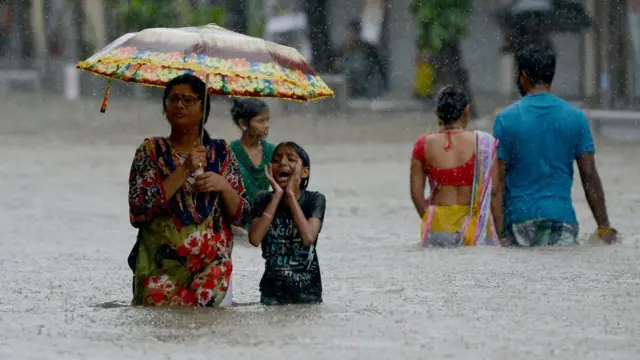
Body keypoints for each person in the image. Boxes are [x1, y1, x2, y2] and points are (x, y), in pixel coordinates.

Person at [127, 74, 251, 307]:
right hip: (159, 271)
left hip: (212, 272)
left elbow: (243, 215)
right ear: (164, 108)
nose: (179, 105)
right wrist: (183, 170)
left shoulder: (221, 152)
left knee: (209, 337)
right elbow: (139, 209)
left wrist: (223, 186)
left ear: (203, 108)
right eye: (172, 99)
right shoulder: (151, 151)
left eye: (187, 99)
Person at [493, 43, 617, 246]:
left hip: (518, 221)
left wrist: (500, 236)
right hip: (562, 220)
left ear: (523, 76)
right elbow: (590, 176)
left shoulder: (506, 119)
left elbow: (497, 184)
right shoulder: (576, 118)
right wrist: (604, 227)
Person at [410, 85, 501, 247]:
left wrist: (428, 218)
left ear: (437, 112)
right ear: (467, 110)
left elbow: (416, 194)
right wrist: (500, 232)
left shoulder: (423, 144)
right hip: (474, 227)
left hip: (438, 225)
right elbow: (494, 192)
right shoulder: (484, 143)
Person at [248, 142, 326, 305]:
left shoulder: (314, 200)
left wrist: (290, 194)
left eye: (291, 159)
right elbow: (255, 239)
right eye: (276, 160)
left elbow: (308, 237)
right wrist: (277, 196)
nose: (282, 163)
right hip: (271, 294)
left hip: (307, 295)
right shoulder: (262, 199)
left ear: (304, 172)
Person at [229, 98, 276, 233]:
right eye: (261, 121)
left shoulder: (273, 151)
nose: (267, 125)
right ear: (243, 124)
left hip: (263, 219)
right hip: (238, 224)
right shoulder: (230, 152)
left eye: (268, 120)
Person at [335, 19, 388, 99]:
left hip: (365, 85)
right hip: (348, 87)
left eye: (356, 33)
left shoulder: (368, 48)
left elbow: (379, 67)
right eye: (352, 33)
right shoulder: (342, 49)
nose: (354, 36)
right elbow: (334, 67)